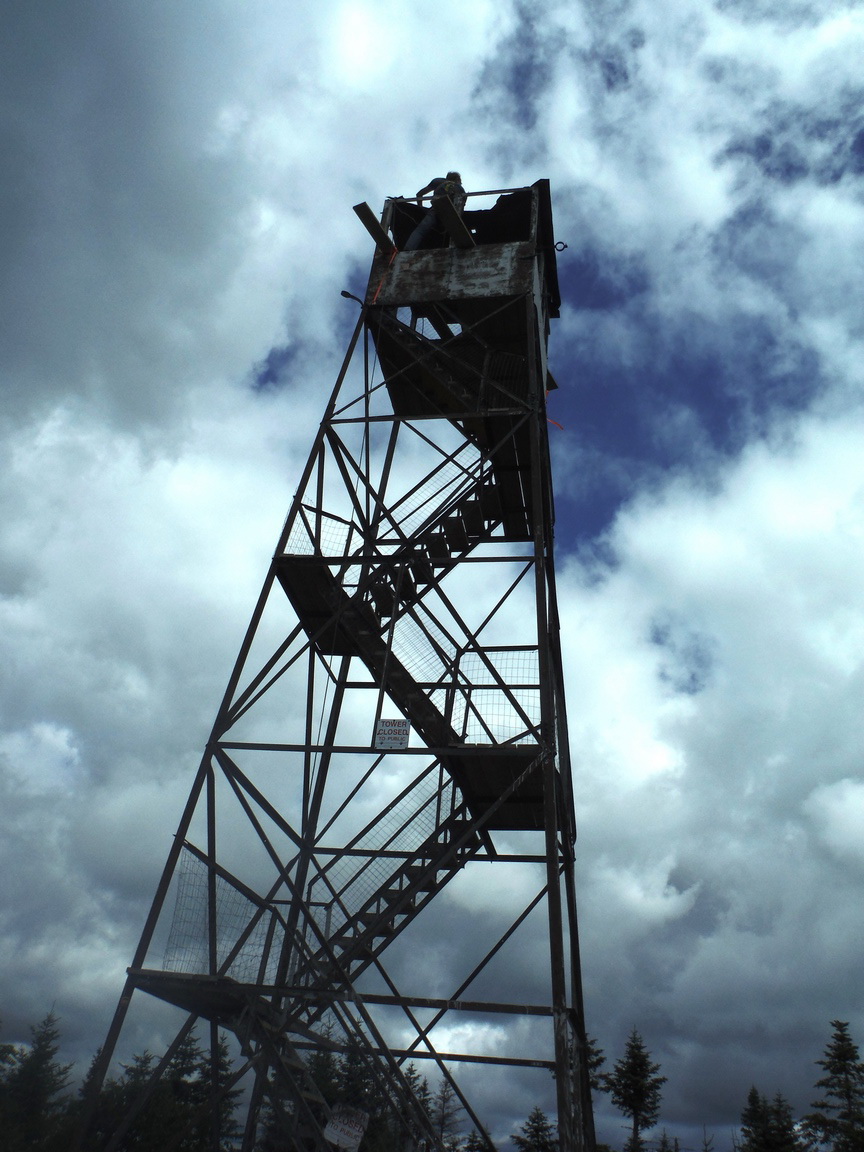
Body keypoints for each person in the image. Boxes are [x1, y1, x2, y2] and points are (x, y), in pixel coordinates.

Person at [403, 172, 466, 251]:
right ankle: (453, 251)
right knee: (454, 231)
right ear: (458, 179)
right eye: (461, 181)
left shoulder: (438, 181)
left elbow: (419, 194)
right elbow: (460, 207)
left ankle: (408, 249)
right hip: (450, 211)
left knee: (420, 231)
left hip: (436, 207)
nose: (461, 183)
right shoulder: (459, 188)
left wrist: (420, 209)